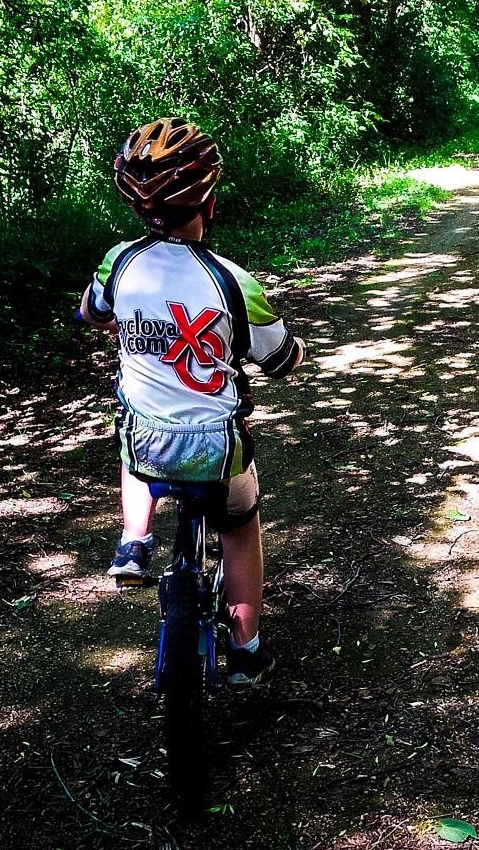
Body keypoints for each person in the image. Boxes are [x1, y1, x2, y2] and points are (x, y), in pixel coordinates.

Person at [79, 117, 306, 685]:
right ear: (207, 195)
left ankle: (134, 543)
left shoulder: (120, 262)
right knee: (239, 524)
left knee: (132, 437)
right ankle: (246, 647)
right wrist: (296, 351)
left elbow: (90, 311)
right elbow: (279, 359)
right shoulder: (232, 281)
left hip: (147, 437)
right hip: (215, 447)